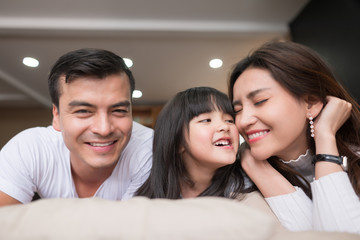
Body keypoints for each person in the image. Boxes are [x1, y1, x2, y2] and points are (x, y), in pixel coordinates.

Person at [228, 41, 360, 233]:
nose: (243, 121)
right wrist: (258, 170)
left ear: (311, 103)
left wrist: (325, 136)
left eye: (260, 101)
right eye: (237, 110)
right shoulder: (235, 184)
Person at [0, 48, 153, 206]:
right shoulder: (30, 148)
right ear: (57, 116)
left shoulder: (151, 149)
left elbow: (135, 227)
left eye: (119, 111)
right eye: (83, 111)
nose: (104, 129)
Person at [136, 87, 247, 199]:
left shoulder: (244, 189)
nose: (225, 126)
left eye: (229, 120)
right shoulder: (148, 199)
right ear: (178, 142)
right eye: (206, 120)